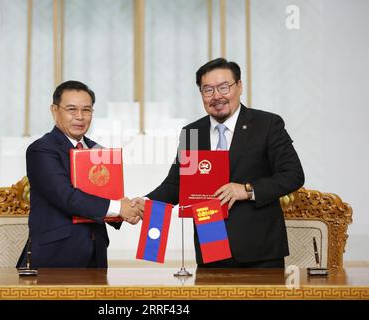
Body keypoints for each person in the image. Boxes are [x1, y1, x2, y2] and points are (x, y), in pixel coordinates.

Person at [135, 58, 304, 268]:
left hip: (260, 251)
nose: (216, 97)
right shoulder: (192, 133)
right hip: (210, 246)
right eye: (208, 90)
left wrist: (246, 189)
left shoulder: (267, 125)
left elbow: (293, 174)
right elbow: (176, 184)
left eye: (223, 87)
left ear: (239, 86)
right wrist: (144, 202)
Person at [17, 80, 143, 269]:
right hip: (56, 256)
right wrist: (120, 208)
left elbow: (108, 197)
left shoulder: (99, 150)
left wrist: (127, 211)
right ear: (54, 110)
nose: (80, 117)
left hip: (96, 253)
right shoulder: (41, 150)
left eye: (86, 110)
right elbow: (66, 197)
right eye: (71, 109)